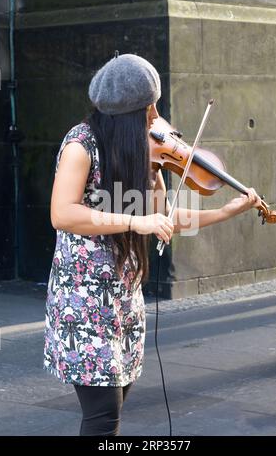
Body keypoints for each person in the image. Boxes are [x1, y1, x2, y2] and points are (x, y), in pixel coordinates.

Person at [43, 53, 261, 436]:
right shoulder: (81, 145)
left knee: (116, 404)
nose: (156, 114)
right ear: (129, 113)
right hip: (83, 301)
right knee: (103, 417)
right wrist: (134, 219)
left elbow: (163, 218)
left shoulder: (137, 150)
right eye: (149, 106)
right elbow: (62, 213)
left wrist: (226, 211)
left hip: (123, 298)